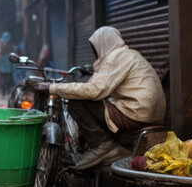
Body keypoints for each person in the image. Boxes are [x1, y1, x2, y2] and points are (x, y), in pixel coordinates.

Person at [36, 26, 166, 170]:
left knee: (76, 102)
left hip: (135, 114)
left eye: (95, 49)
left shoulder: (116, 57)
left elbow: (93, 90)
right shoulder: (131, 54)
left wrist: (52, 88)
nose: (95, 53)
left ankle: (102, 145)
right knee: (101, 103)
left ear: (103, 44)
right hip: (151, 115)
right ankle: (115, 147)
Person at [0, 31, 14, 97]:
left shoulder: (10, 44)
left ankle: (7, 90)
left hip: (8, 62)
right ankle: (3, 92)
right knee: (2, 78)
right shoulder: (1, 42)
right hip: (2, 62)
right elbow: (0, 51)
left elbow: (11, 51)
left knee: (8, 78)